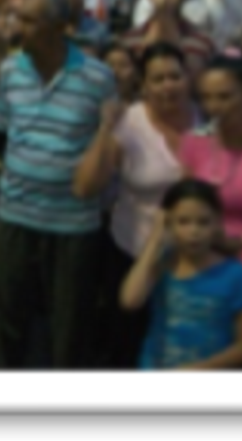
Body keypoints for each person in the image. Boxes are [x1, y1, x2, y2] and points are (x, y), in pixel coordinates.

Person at [0, 0, 116, 369]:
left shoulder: (97, 78)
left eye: (29, 21)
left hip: (72, 224)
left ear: (59, 28)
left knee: (70, 325)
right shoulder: (10, 72)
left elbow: (105, 144)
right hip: (14, 217)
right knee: (7, 317)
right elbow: (1, 133)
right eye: (18, 18)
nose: (17, 28)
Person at [74, 42, 198, 368]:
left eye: (175, 76)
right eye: (158, 79)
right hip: (133, 252)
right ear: (144, 85)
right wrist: (105, 130)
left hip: (193, 256)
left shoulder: (205, 120)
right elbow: (86, 187)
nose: (168, 85)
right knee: (128, 347)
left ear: (188, 78)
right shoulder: (129, 122)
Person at [120, 180, 242, 369]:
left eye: (203, 222)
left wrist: (196, 370)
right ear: (169, 222)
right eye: (183, 222)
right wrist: (155, 238)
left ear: (217, 222)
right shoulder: (162, 263)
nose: (194, 231)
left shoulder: (237, 275)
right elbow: (130, 300)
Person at [179, 57, 242, 275]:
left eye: (224, 97)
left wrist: (236, 242)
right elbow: (184, 204)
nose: (213, 107)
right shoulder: (195, 141)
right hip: (207, 266)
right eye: (206, 98)